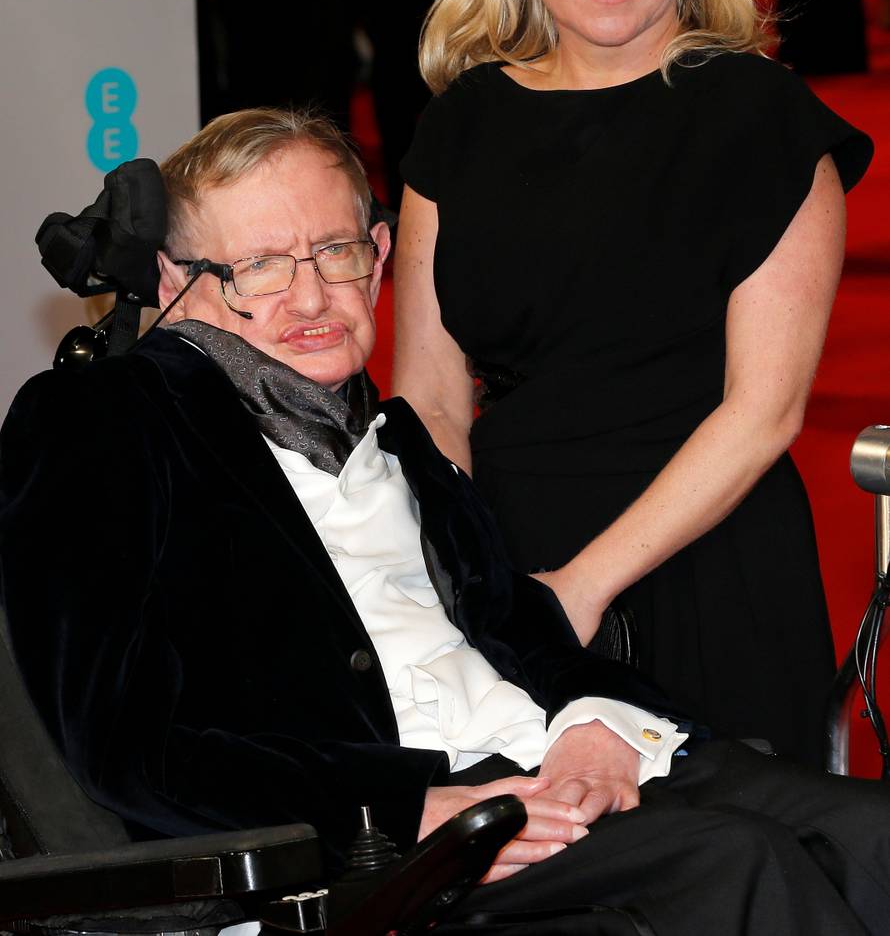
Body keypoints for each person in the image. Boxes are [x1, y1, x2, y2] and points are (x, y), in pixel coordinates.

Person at [1, 109, 888, 935]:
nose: (309, 300)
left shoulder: (401, 441)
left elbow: (522, 633)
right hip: (385, 841)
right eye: (262, 267)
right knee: (736, 865)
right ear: (174, 279)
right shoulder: (104, 422)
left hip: (560, 757)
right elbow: (130, 749)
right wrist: (407, 807)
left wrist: (601, 725)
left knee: (873, 835)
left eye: (337, 252)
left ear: (381, 255)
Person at [393, 0, 874, 766]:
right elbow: (431, 395)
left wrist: (583, 582)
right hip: (514, 571)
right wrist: (459, 576)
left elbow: (762, 411)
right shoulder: (458, 128)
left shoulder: (760, 122)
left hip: (706, 565)